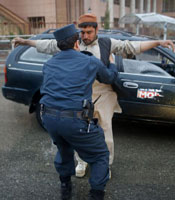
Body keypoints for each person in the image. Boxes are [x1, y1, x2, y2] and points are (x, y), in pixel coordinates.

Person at [12, 13, 175, 178]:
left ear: (97, 30)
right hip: (80, 96)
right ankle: (81, 162)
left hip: (103, 93)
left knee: (105, 131)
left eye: (89, 32)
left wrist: (158, 43)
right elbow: (47, 44)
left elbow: (130, 46)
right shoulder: (73, 43)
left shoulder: (107, 43)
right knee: (79, 132)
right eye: (82, 33)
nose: (85, 36)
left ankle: (105, 164)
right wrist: (26, 42)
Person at [40, 24, 118, 200]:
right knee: (100, 156)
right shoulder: (88, 60)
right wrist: (112, 64)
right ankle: (96, 194)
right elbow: (108, 78)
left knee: (64, 146)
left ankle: (65, 187)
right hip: (74, 120)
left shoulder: (49, 64)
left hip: (49, 119)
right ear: (77, 42)